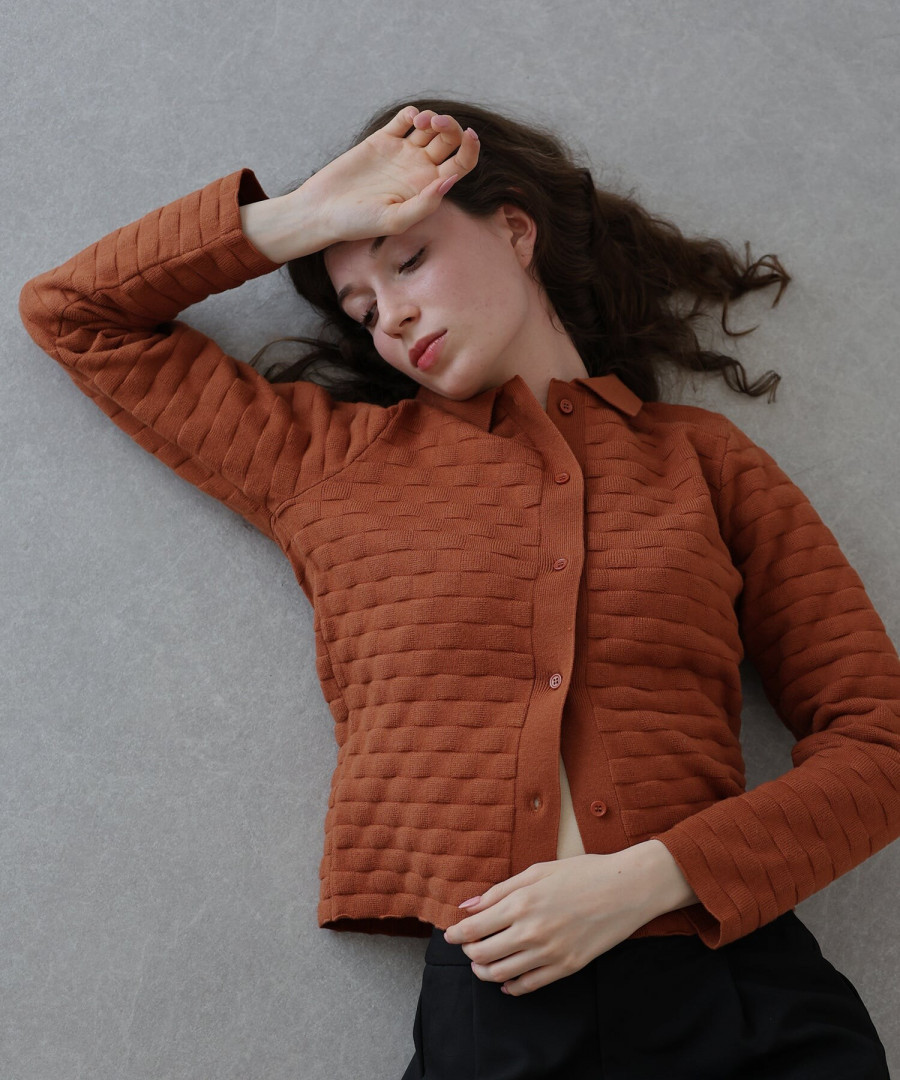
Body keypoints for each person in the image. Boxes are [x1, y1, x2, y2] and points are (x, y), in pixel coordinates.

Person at [19, 95, 900, 1079]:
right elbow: (75, 313)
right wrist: (304, 214)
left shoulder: (703, 462)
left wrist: (653, 878)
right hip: (499, 1016)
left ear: (515, 230)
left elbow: (881, 740)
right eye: (362, 310)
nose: (391, 315)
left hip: (746, 1003)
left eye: (407, 261)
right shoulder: (327, 465)